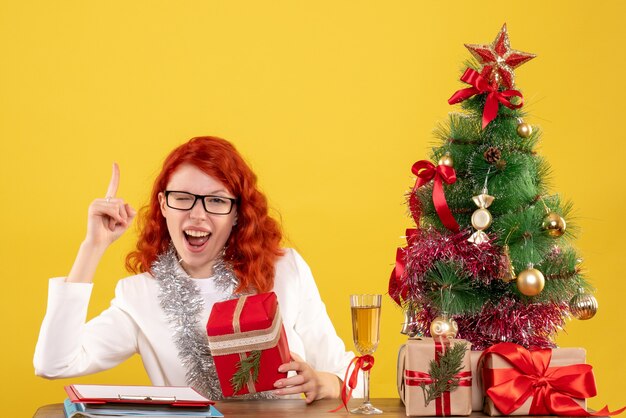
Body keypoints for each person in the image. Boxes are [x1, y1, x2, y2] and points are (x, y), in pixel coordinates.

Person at [34, 136, 359, 403]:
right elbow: (54, 362)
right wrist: (93, 247)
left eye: (216, 201)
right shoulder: (140, 296)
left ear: (236, 213)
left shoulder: (285, 270)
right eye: (183, 198)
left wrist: (324, 384)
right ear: (163, 205)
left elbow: (351, 379)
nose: (197, 215)